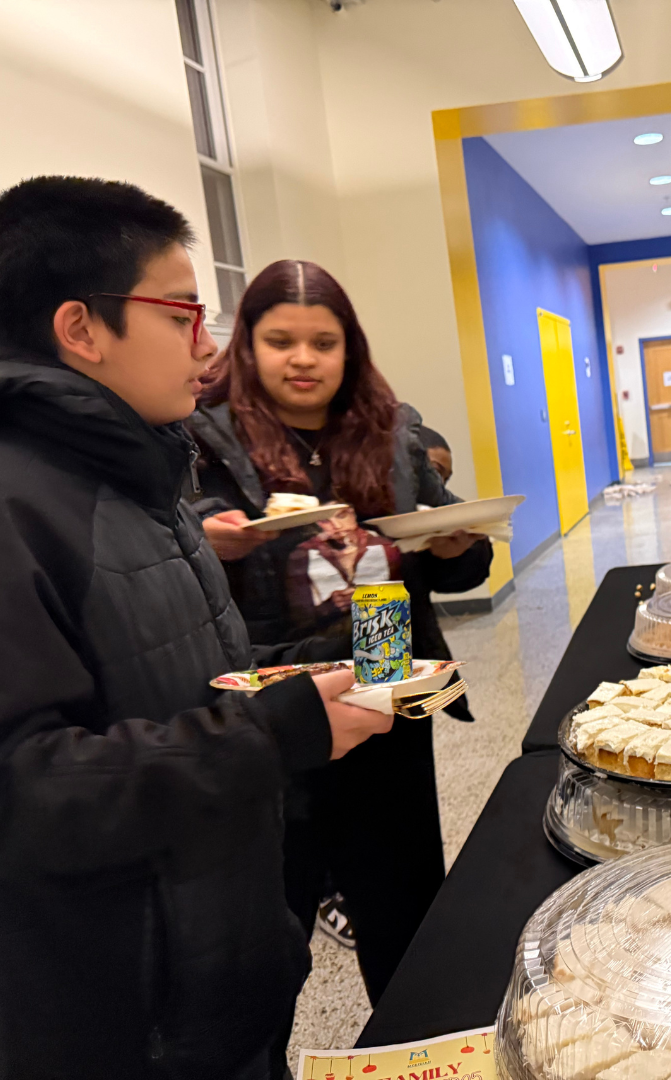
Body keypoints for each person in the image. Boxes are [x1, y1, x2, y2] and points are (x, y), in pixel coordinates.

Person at [0, 178, 391, 1078]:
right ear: (80, 328)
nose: (207, 349)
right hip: (127, 1021)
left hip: (219, 974)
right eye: (183, 315)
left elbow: (183, 679)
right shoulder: (21, 504)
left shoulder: (139, 475)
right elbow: (28, 790)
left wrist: (308, 676)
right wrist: (276, 733)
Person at [186, 260, 492, 1014]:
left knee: (407, 912)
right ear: (246, 347)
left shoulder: (389, 435)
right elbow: (165, 563)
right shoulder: (199, 442)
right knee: (270, 927)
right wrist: (207, 546)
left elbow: (460, 557)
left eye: (324, 342)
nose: (303, 358)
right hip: (276, 705)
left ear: (349, 349)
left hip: (389, 690)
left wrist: (459, 547)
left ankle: (412, 1043)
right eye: (280, 339)